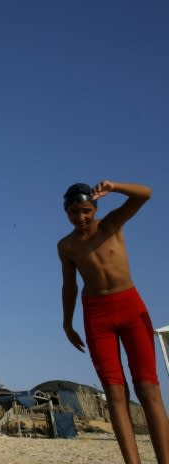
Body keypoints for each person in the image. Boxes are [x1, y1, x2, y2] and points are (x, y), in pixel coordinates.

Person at [58, 181, 169, 464]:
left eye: (85, 210)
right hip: (97, 316)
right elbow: (69, 286)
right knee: (114, 392)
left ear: (95, 207)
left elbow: (146, 193)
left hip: (130, 307)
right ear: (66, 213)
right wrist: (67, 323)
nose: (80, 218)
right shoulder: (67, 246)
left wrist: (115, 186)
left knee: (148, 388)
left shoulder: (111, 225)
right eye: (73, 212)